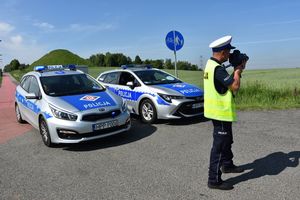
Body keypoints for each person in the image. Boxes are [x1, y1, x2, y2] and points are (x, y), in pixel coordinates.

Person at [204, 35, 247, 190]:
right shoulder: (218, 70)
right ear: (222, 52)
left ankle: (227, 165)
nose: (230, 55)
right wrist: (237, 70)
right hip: (220, 113)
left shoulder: (211, 65)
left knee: (227, 141)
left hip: (218, 112)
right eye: (228, 51)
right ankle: (213, 180)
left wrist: (235, 69)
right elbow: (234, 86)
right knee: (219, 146)